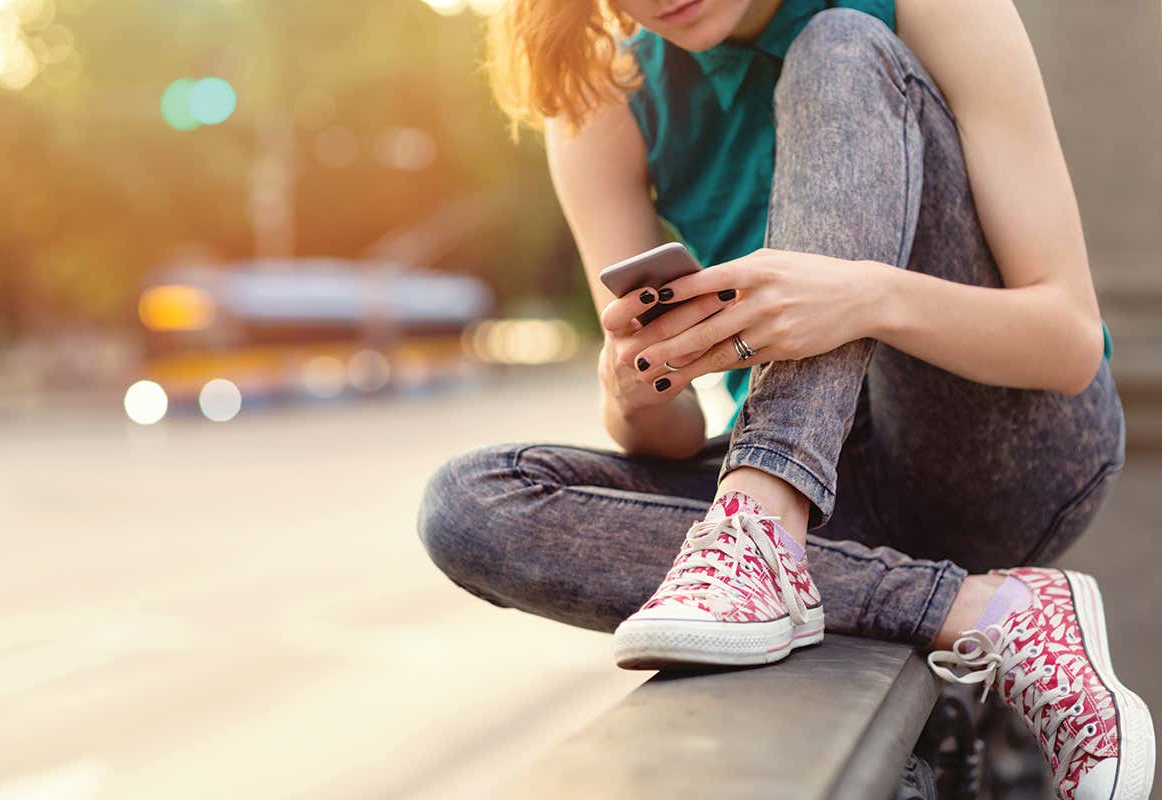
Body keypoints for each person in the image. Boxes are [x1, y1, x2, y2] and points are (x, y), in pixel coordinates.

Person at [416, 1, 1154, 797]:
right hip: (833, 513)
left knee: (837, 45)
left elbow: (1068, 342)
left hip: (1003, 450)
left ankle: (764, 517)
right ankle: (980, 611)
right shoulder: (608, 92)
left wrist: (865, 298)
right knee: (467, 504)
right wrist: (631, 386)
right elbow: (670, 433)